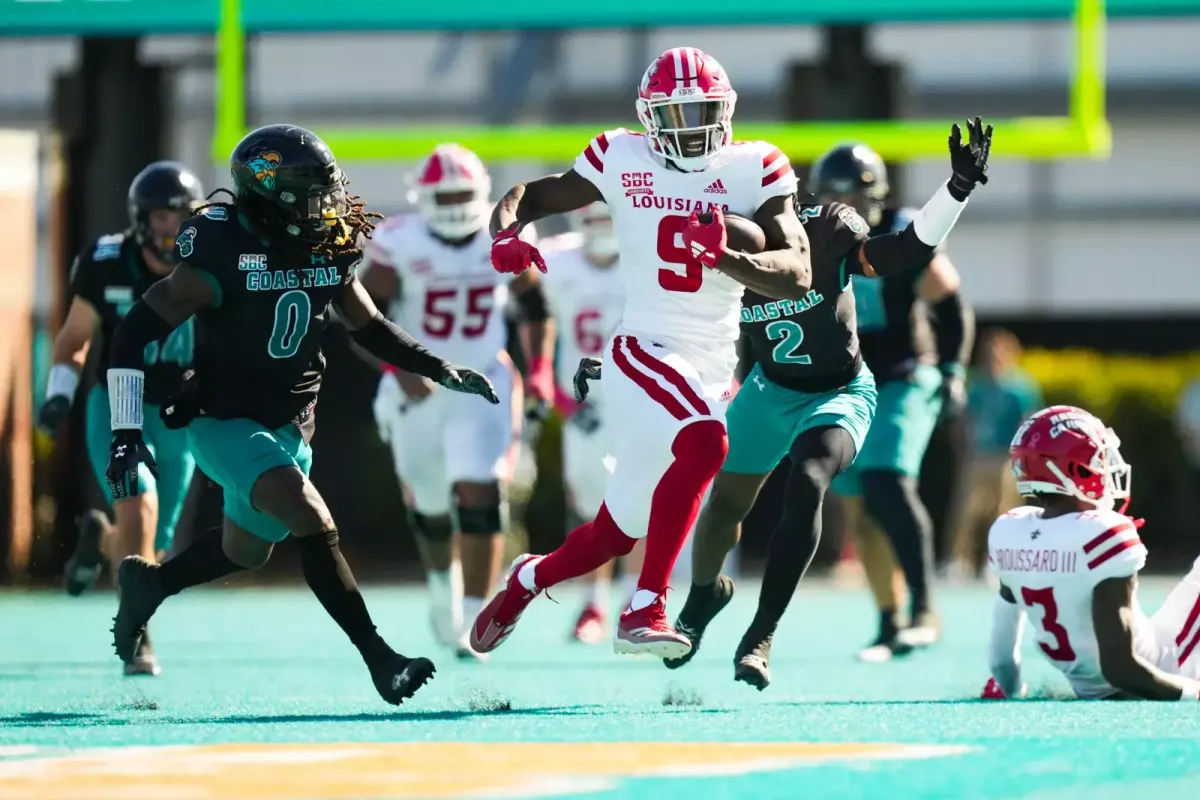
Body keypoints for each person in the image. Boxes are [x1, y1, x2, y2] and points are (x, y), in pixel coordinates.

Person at [103, 124, 497, 705]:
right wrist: (125, 432)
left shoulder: (327, 243)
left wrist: (438, 367)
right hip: (224, 418)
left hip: (291, 421)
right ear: (270, 195)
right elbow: (133, 333)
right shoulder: (220, 249)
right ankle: (381, 658)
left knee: (246, 550)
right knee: (310, 516)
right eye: (312, 193)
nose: (327, 206)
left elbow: (368, 326)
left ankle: (150, 584)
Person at [469, 46, 811, 660]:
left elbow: (797, 272)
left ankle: (527, 579)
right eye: (675, 115)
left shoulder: (755, 166)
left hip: (710, 363)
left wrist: (728, 257)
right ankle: (646, 604)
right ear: (649, 118)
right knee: (708, 442)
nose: (691, 128)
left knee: (613, 532)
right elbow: (533, 194)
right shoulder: (618, 154)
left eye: (701, 111)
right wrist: (505, 233)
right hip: (642, 347)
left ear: (726, 110)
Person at [663, 122, 993, 688]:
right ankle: (702, 598)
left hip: (839, 390)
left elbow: (907, 248)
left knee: (810, 477)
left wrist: (956, 188)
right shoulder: (709, 249)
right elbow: (668, 324)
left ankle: (761, 634)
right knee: (720, 506)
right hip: (768, 389)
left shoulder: (827, 231)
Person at [360, 144, 554, 660]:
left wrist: (538, 371)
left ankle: (474, 615)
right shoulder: (398, 241)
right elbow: (360, 316)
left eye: (461, 193)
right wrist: (395, 365)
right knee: (429, 505)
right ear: (422, 197)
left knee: (482, 490)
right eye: (443, 194)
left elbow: (535, 305)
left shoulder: (505, 237)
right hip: (419, 382)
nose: (452, 203)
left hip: (483, 379)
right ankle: (441, 587)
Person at [38, 160, 204, 675]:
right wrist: (59, 394)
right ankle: (136, 630)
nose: (171, 228)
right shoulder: (108, 261)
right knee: (141, 508)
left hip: (180, 412)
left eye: (180, 216)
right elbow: (73, 338)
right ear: (140, 219)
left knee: (153, 539)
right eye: (160, 217)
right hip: (118, 405)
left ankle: (99, 541)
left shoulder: (214, 262)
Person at [814, 143, 976, 661]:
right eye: (832, 196)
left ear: (875, 197)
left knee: (888, 480)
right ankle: (889, 621)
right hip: (853, 382)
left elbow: (950, 305)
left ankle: (925, 609)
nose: (841, 206)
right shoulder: (813, 238)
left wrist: (952, 370)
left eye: (851, 195)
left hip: (907, 374)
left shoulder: (903, 234)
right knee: (862, 511)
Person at [982, 405, 1200, 701]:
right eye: (1098, 459)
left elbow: (1001, 659)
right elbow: (1121, 670)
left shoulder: (1010, 531)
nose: (1105, 467)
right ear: (1073, 469)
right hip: (1160, 670)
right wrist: (1193, 692)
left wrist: (1012, 690)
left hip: (1088, 685)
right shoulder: (1102, 533)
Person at [536, 201, 639, 643]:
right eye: (593, 220)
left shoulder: (644, 259)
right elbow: (534, 320)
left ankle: (639, 600)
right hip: (583, 404)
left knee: (643, 501)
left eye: (608, 220)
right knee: (589, 504)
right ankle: (591, 604)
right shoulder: (555, 261)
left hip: (638, 397)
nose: (602, 229)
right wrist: (554, 389)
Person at [949, 328, 1041, 577]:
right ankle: (959, 560)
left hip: (1006, 457)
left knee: (1004, 511)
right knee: (966, 509)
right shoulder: (976, 386)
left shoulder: (1021, 388)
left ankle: (998, 559)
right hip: (978, 455)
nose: (994, 357)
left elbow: (1028, 424)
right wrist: (965, 447)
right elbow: (963, 420)